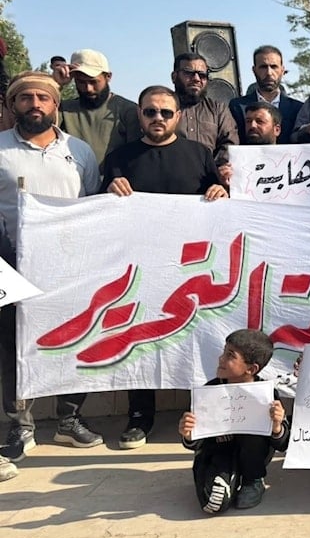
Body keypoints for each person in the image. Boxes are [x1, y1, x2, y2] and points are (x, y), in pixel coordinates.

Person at [103, 85, 228, 449]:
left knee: (200, 338)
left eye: (165, 112)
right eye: (150, 112)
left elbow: (224, 203)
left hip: (193, 269)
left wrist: (222, 192)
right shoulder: (120, 158)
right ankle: (140, 416)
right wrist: (109, 190)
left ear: (178, 116)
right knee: (138, 341)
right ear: (139, 115)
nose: (158, 118)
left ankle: (204, 413)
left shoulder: (200, 155)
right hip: (139, 269)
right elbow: (95, 209)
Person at [0, 72, 103, 462]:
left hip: (69, 264)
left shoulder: (79, 151)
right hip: (11, 264)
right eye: (25, 98)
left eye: (43, 98)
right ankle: (20, 425)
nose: (35, 105)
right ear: (13, 105)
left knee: (74, 338)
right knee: (13, 346)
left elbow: (92, 203)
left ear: (56, 104)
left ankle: (69, 419)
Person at [178, 329, 289, 513]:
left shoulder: (266, 395)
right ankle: (224, 477)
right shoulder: (209, 392)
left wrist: (276, 426)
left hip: (253, 456)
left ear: (251, 369)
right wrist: (188, 434)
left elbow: (283, 443)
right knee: (213, 503)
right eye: (224, 352)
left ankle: (253, 481)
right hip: (219, 454)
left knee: (253, 436)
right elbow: (195, 444)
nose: (221, 359)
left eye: (230, 355)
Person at [60, 49, 142, 173]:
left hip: (114, 186)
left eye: (94, 82)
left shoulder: (128, 111)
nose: (88, 89)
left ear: (108, 77)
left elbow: (137, 158)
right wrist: (56, 84)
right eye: (81, 82)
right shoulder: (64, 110)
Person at [170, 52, 240, 168]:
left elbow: (229, 145)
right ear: (174, 77)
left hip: (210, 180)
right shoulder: (163, 109)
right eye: (189, 73)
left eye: (202, 75)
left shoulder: (218, 110)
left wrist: (213, 171)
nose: (196, 79)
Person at [229, 45, 302, 145]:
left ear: (282, 70)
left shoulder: (298, 109)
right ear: (254, 71)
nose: (269, 73)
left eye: (274, 66)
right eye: (263, 67)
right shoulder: (236, 107)